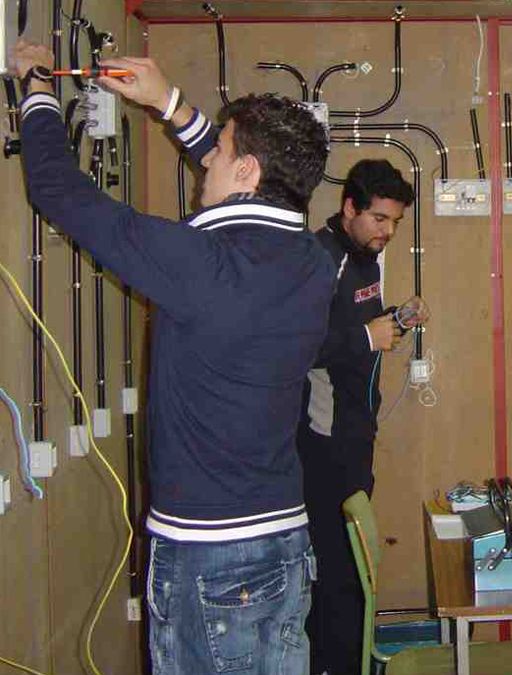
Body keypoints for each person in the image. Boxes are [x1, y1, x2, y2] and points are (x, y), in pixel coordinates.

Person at [10, 42, 334, 674]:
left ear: (244, 173)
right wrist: (167, 103)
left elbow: (58, 189)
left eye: (216, 152)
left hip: (212, 561)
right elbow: (258, 183)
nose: (204, 159)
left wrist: (36, 86)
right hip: (283, 542)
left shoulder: (201, 266)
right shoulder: (312, 263)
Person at [298, 158, 427, 675]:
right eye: (379, 219)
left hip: (355, 432)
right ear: (349, 207)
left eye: (395, 222)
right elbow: (292, 349)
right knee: (334, 572)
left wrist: (394, 320)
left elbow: (353, 330)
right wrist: (365, 337)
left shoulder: (365, 259)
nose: (388, 232)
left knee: (352, 570)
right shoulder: (316, 259)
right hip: (322, 442)